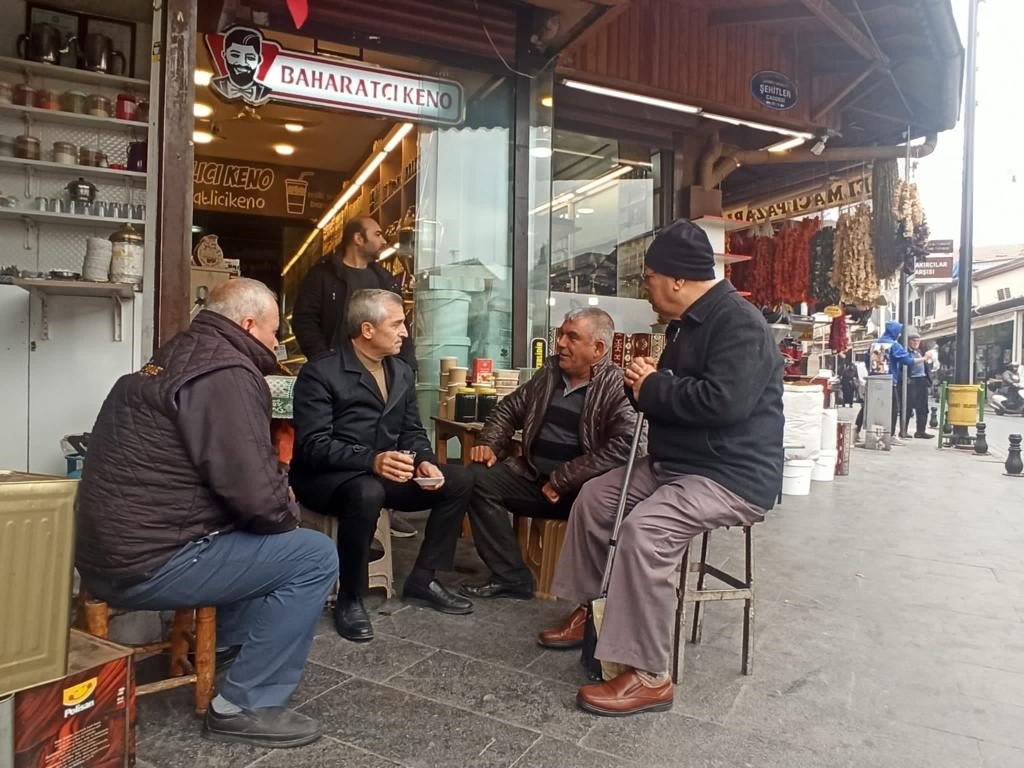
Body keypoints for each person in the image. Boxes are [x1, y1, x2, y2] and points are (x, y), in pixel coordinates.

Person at [75, 278, 338, 749]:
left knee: (253, 528)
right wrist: (288, 507)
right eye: (275, 332)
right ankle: (244, 704)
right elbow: (256, 494)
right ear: (249, 323)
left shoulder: (172, 358)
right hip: (148, 563)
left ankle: (227, 645)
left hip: (107, 555)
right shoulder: (225, 374)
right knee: (311, 554)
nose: (277, 344)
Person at [537, 219, 784, 717]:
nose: (645, 289)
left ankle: (650, 673)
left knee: (645, 531)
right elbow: (673, 393)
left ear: (676, 279)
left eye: (647, 279)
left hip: (729, 473)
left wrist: (653, 387)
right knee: (595, 497)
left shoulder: (739, 323)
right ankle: (595, 612)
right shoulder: (687, 322)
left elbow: (725, 403)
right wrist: (646, 387)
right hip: (679, 461)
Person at [290, 289, 474, 643]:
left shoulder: (401, 371)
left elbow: (412, 430)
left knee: (461, 479)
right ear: (367, 329)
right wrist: (371, 460)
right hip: (328, 478)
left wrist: (424, 462)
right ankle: (350, 598)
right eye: (398, 323)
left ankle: (424, 578)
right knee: (367, 490)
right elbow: (313, 445)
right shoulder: (321, 372)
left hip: (383, 471)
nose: (405, 331)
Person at [460, 308, 641, 600]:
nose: (560, 343)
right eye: (560, 334)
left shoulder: (617, 387)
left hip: (581, 493)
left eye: (572, 337)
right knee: (474, 479)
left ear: (597, 349)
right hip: (534, 479)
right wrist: (489, 443)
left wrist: (564, 479)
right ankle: (512, 577)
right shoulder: (550, 374)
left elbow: (627, 445)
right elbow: (508, 409)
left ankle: (588, 596)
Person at [292, 216, 419, 537]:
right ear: (357, 238)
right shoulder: (323, 274)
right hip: (337, 369)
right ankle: (353, 577)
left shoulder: (384, 278)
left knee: (459, 481)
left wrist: (405, 364)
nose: (383, 240)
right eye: (377, 233)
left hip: (380, 365)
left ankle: (416, 568)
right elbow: (304, 319)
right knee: (361, 475)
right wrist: (323, 358)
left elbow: (399, 326)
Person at [853, 321, 923, 444]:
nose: (900, 335)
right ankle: (889, 435)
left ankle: (856, 430)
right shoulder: (894, 345)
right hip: (889, 381)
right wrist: (924, 358)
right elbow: (907, 360)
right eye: (899, 332)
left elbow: (866, 360)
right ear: (895, 333)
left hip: (873, 379)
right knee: (893, 407)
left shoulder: (874, 344)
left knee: (868, 406)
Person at [210, 27, 271, 105]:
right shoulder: (217, 85)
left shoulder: (266, 91)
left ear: (258, 60)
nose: (243, 63)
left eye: (250, 57)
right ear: (224, 55)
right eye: (235, 55)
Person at [903, 330, 933, 438]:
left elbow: (926, 365)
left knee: (923, 408)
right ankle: (903, 430)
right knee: (908, 406)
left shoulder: (920, 351)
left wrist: (928, 380)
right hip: (912, 381)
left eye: (918, 341)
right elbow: (909, 361)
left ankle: (921, 431)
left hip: (922, 380)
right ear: (908, 341)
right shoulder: (906, 352)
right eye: (913, 341)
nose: (916, 343)